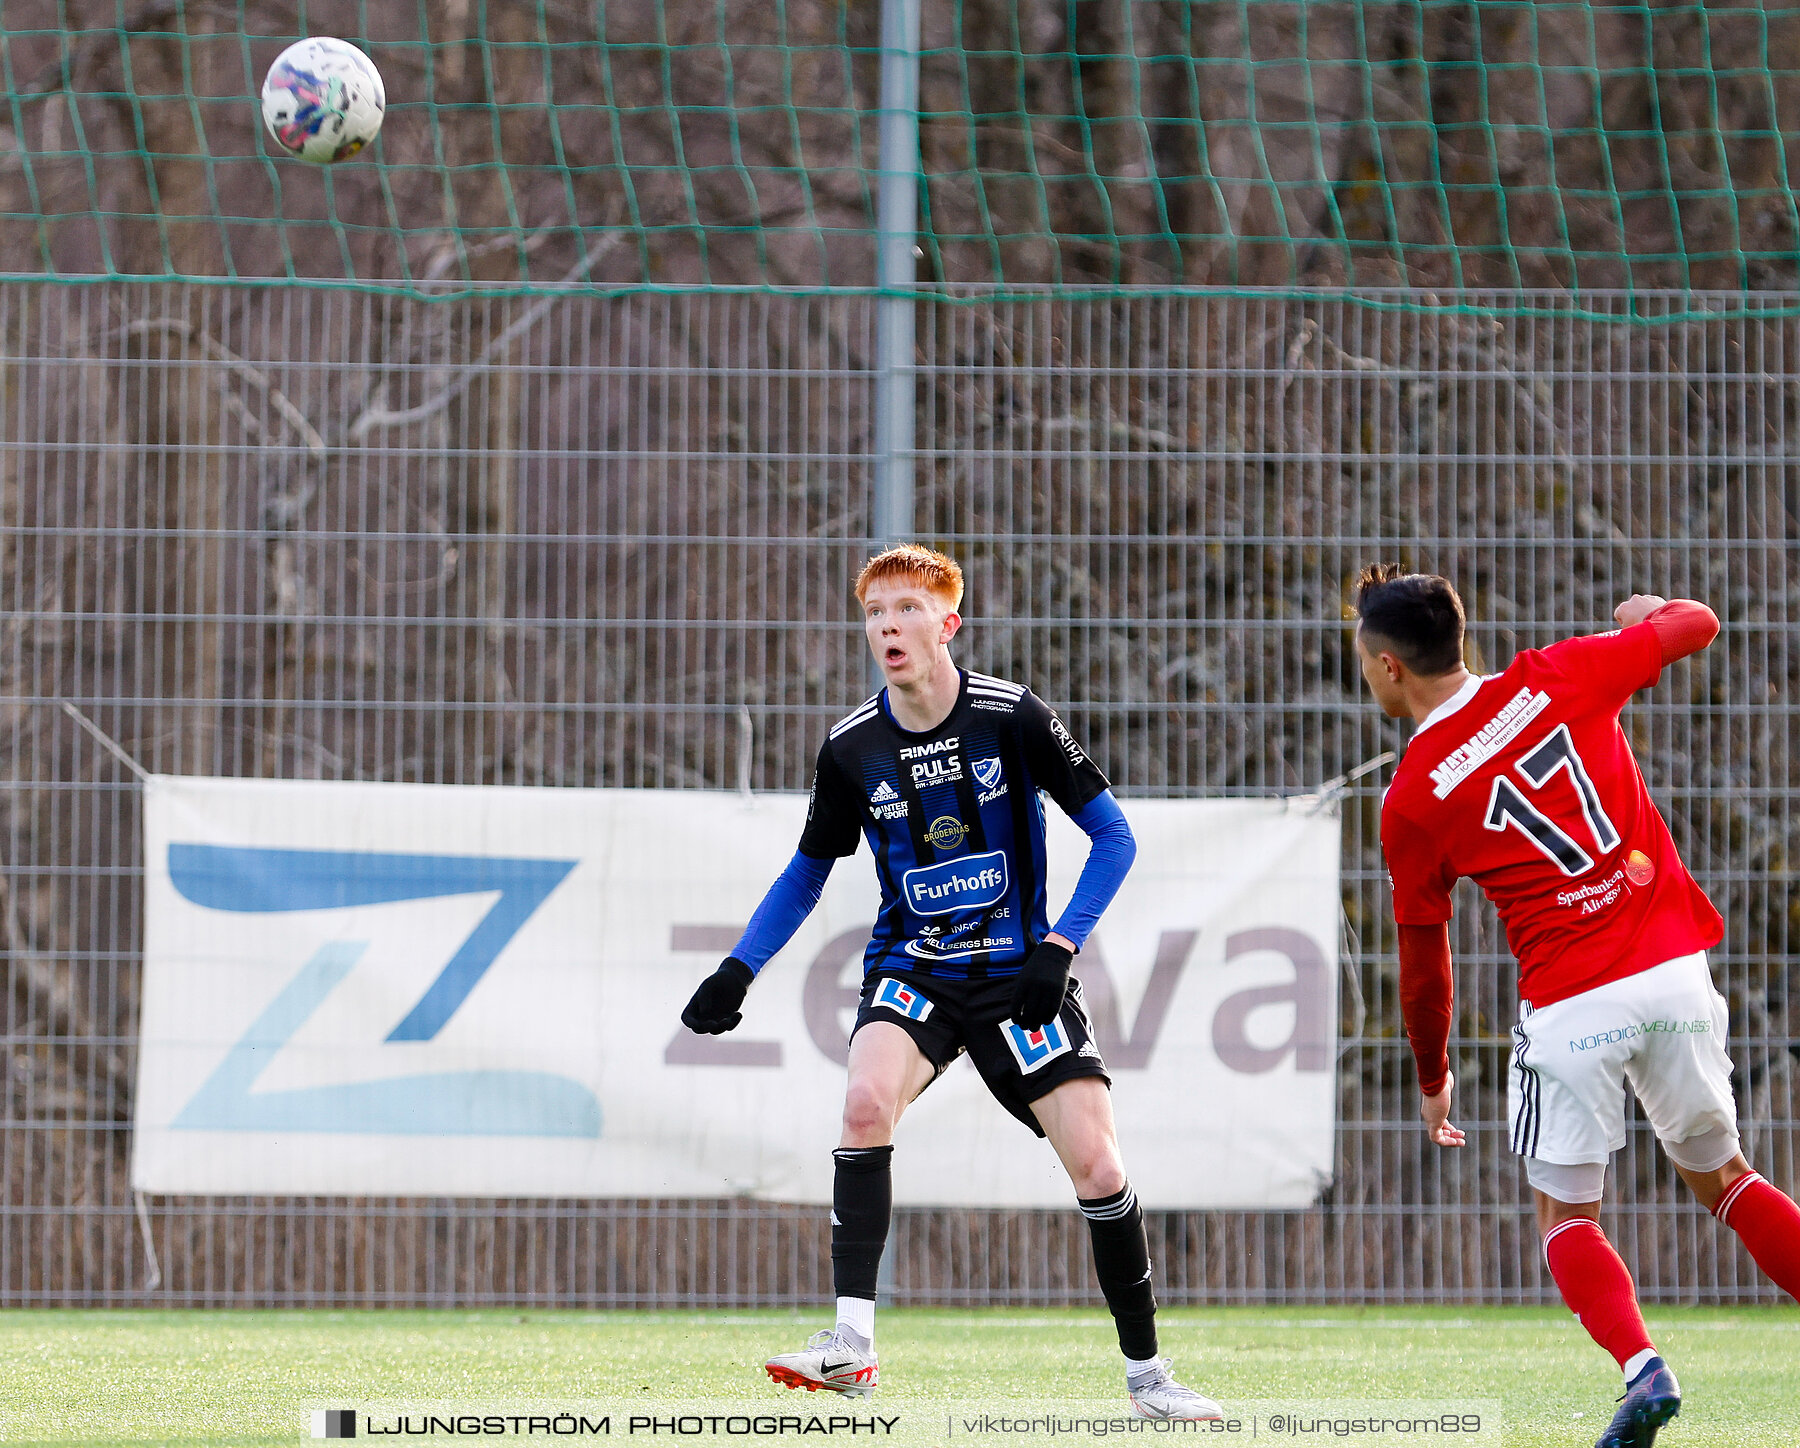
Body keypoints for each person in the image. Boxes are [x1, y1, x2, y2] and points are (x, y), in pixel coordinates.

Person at [679, 544, 1221, 1420]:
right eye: (874, 613)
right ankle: (852, 1347)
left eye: (905, 610)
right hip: (916, 970)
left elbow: (1115, 837)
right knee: (863, 1104)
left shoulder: (1013, 717)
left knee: (1097, 1164)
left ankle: (1149, 1378)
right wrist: (739, 967)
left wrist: (1059, 946)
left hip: (1019, 977)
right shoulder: (852, 747)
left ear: (947, 623)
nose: (887, 627)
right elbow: (807, 872)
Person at [1352, 564, 1800, 1448]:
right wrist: (1642, 611)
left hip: (1570, 1003)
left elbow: (1424, 967)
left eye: (1364, 657)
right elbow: (1697, 622)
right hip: (1674, 973)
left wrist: (1434, 1074)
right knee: (1731, 1181)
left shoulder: (1412, 800)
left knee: (1567, 1218)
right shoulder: (1558, 673)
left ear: (1390, 667)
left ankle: (1644, 1371)